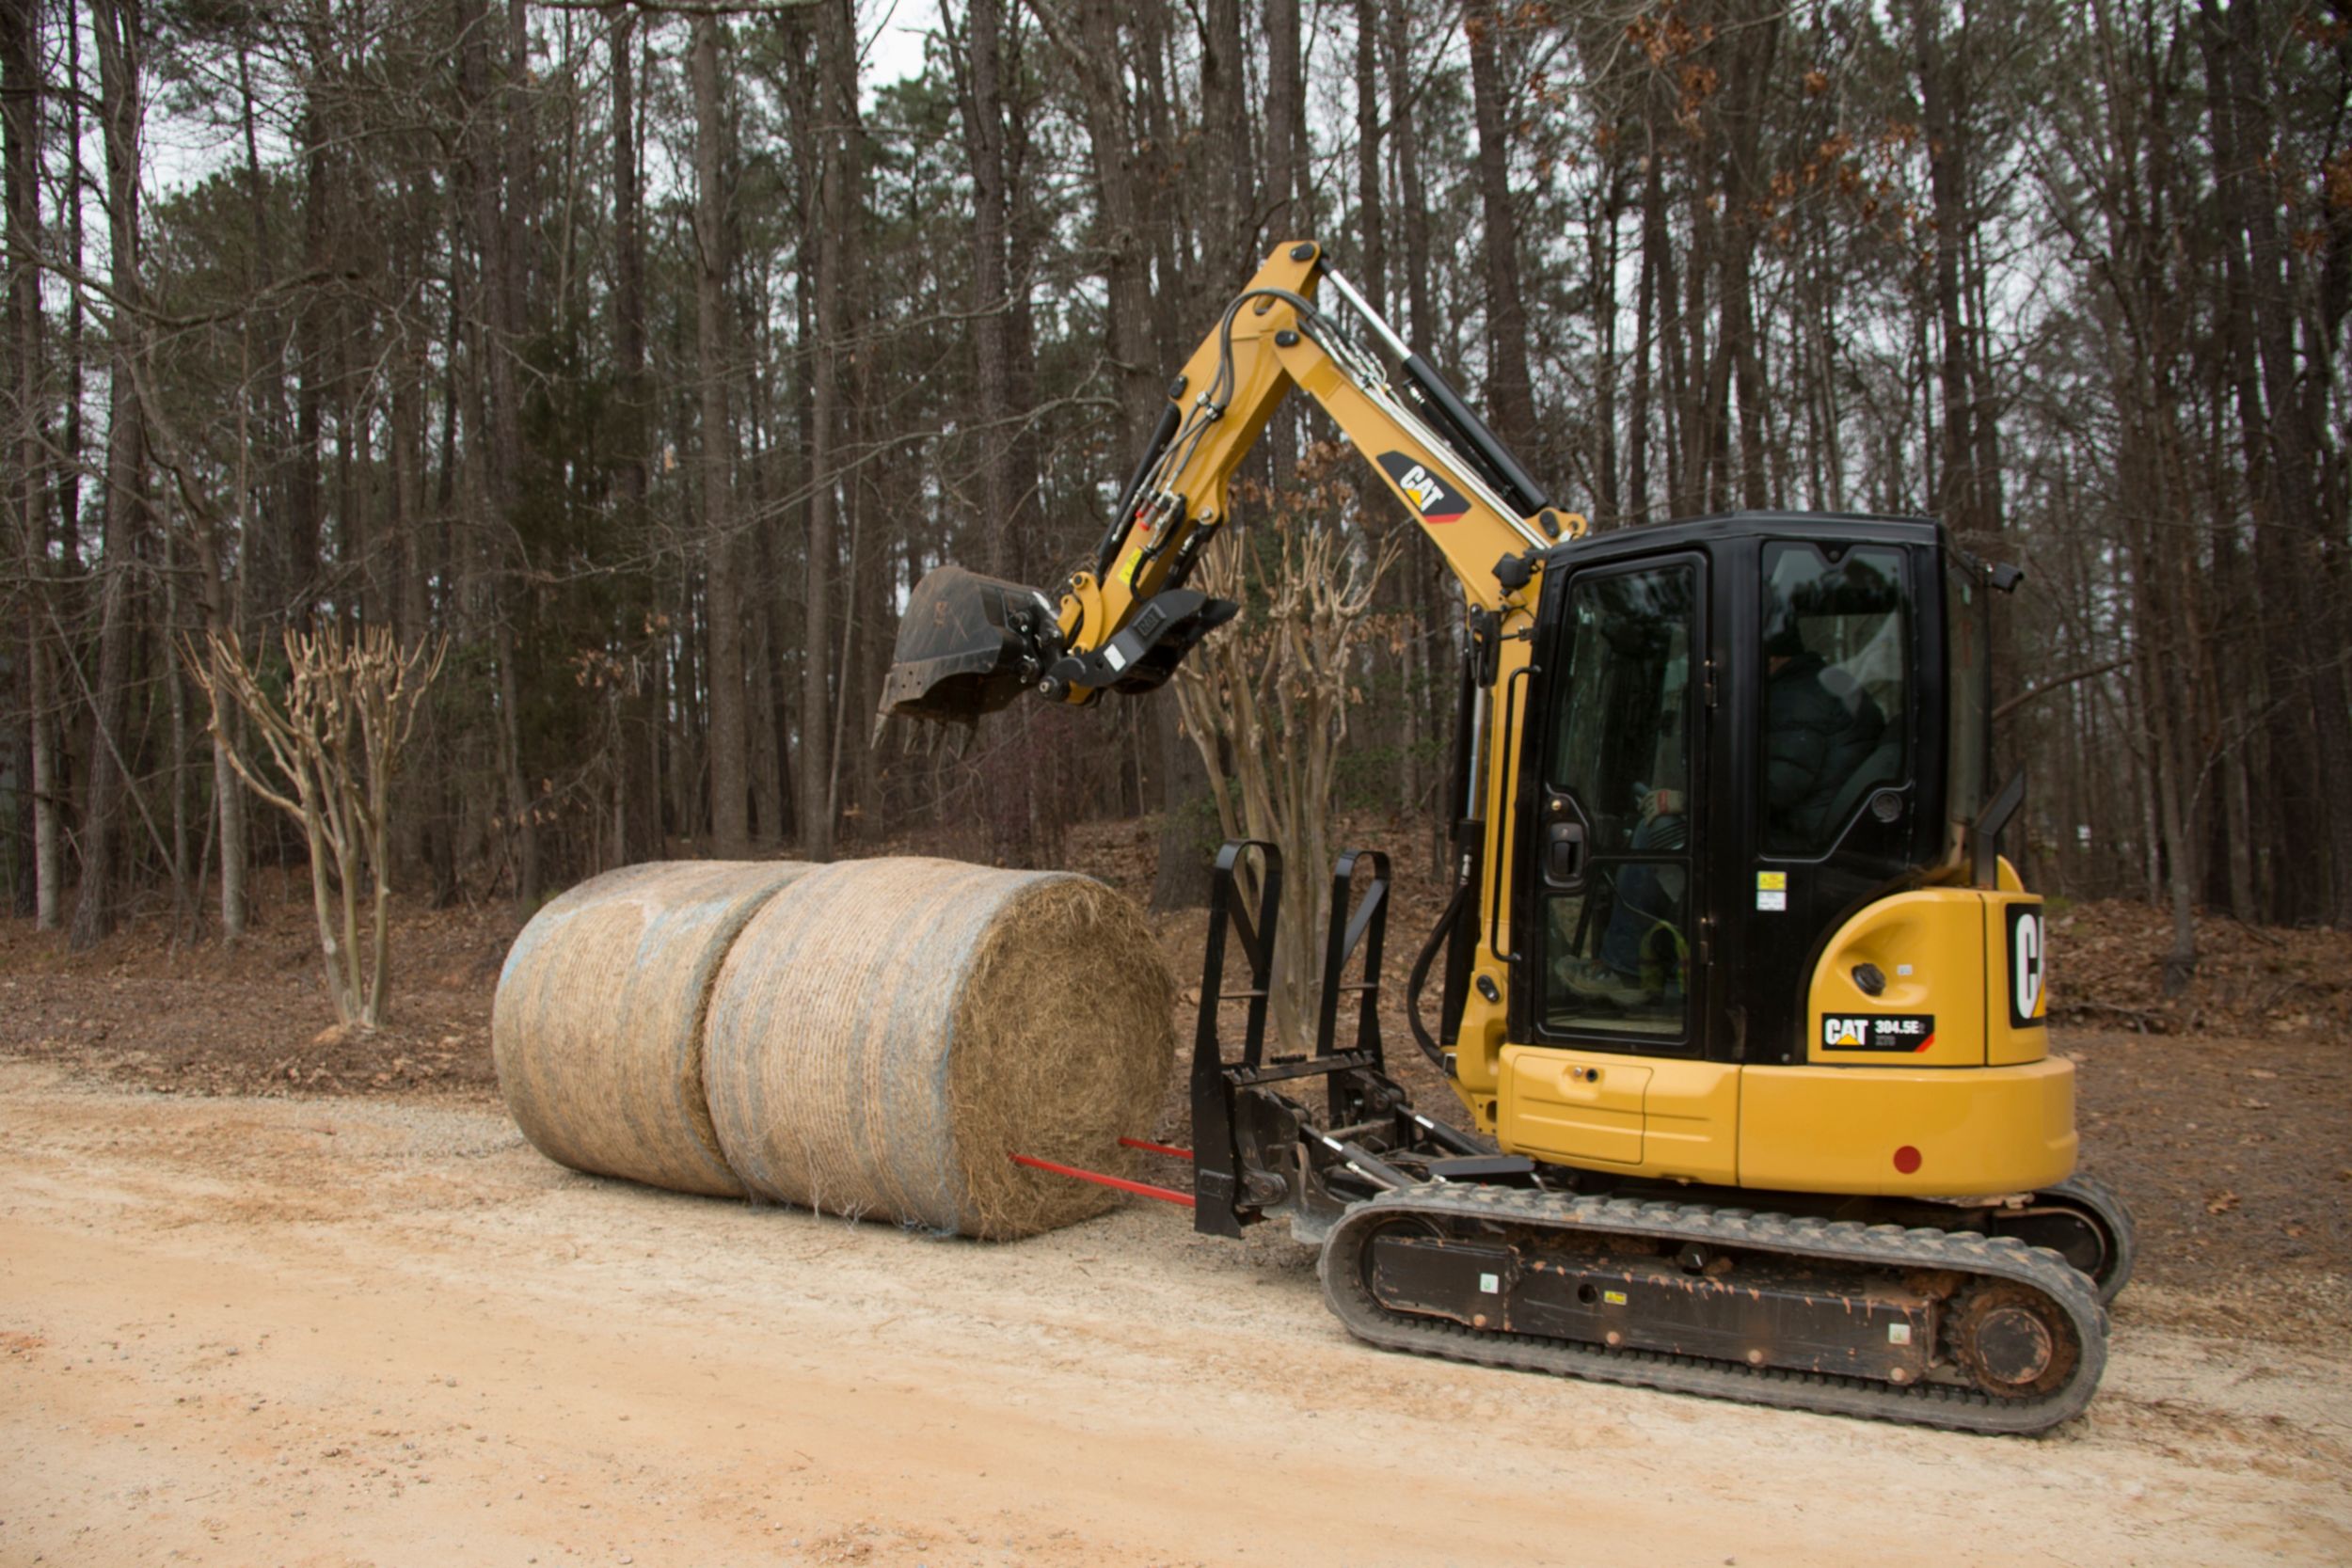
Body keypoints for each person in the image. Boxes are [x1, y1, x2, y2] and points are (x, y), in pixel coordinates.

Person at [1761, 626, 1885, 850]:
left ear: (1770, 658)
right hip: (1832, 820)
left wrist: (1710, 797)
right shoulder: (1820, 681)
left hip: (1810, 835)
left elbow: (1780, 786)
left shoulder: (1797, 695)